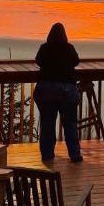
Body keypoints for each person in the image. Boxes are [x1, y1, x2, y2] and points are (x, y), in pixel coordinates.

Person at [34, 22, 83, 163]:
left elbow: (38, 61)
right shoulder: (69, 48)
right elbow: (76, 61)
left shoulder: (45, 48)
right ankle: (75, 155)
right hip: (67, 89)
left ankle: (47, 154)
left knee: (48, 123)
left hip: (47, 88)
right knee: (70, 124)